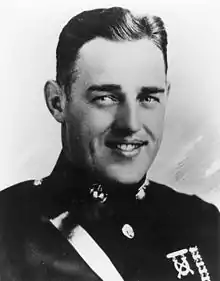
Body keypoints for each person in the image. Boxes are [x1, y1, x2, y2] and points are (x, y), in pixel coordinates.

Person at [0, 6, 219, 281]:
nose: (130, 123)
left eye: (148, 98)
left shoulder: (201, 222)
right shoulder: (8, 227)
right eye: (106, 97)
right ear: (57, 102)